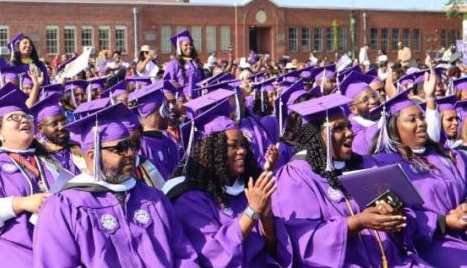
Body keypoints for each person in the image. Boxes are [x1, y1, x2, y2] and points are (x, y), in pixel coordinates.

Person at [33, 103, 198, 267]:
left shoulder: (153, 198)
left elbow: (183, 255)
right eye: (120, 148)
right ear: (92, 155)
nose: (131, 154)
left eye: (132, 146)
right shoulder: (65, 206)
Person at [272, 93, 429, 267]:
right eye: (339, 128)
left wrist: (395, 215)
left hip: (396, 261)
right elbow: (301, 238)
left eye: (348, 126)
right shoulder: (296, 176)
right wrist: (356, 223)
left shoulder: (366, 164)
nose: (349, 133)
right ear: (316, 136)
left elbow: (409, 215)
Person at [166, 101, 292, 267]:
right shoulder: (190, 199)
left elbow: (271, 249)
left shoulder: (247, 187)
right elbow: (213, 257)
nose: (242, 151)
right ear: (212, 152)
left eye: (243, 144)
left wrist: (265, 216)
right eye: (233, 146)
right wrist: (252, 212)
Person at [369, 90, 467, 267]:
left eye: (422, 118)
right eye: (412, 120)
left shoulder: (443, 156)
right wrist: (443, 222)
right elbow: (399, 216)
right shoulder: (385, 165)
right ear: (394, 127)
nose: (421, 123)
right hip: (428, 243)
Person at [0, 92, 69, 267]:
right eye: (14, 117)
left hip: (60, 249)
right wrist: (20, 204)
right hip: (12, 255)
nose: (24, 120)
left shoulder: (55, 162)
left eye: (26, 116)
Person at [30, 93, 84, 174]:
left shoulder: (80, 145)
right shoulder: (38, 157)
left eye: (64, 121)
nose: (61, 127)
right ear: (40, 128)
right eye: (54, 124)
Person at [163, 30, 205, 100]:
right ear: (179, 47)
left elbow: (204, 81)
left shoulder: (196, 63)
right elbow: (167, 85)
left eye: (190, 44)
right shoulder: (174, 64)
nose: (189, 47)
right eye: (186, 45)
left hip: (198, 101)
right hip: (182, 103)